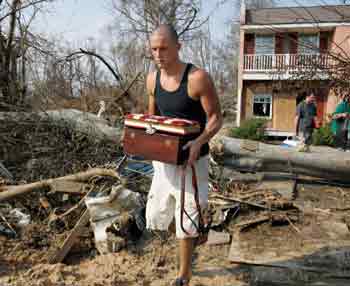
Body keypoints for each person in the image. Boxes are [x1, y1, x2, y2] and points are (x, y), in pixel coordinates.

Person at [145, 24, 222, 286]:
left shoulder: (197, 78)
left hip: (192, 161)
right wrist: (144, 142)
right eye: (154, 49)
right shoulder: (152, 79)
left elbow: (215, 119)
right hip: (164, 160)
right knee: (157, 216)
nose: (158, 54)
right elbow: (152, 120)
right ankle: (195, 233)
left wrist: (200, 142)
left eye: (164, 48)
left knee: (186, 216)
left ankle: (184, 273)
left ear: (178, 47)